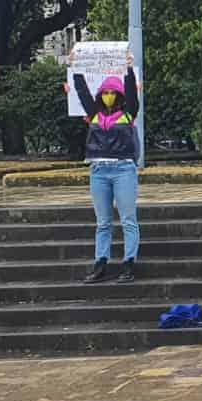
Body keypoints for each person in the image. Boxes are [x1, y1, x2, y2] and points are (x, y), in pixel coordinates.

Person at [71, 50, 141, 284]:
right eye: (105, 93)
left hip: (123, 169)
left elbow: (132, 94)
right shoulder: (94, 114)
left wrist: (129, 70)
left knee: (128, 219)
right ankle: (100, 263)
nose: (109, 96)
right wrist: (75, 67)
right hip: (99, 171)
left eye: (113, 92)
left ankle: (128, 264)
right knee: (103, 222)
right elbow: (82, 92)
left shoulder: (128, 113)